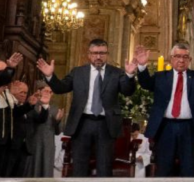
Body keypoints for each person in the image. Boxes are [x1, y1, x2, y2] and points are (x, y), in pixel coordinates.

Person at [37, 38, 137, 177]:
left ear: (107, 54)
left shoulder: (116, 72)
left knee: (104, 167)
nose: (98, 57)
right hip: (82, 123)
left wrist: (130, 75)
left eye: (102, 53)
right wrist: (49, 76)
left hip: (106, 125)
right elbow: (61, 88)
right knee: (79, 166)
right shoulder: (78, 72)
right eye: (95, 53)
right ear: (89, 54)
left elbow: (128, 91)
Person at [134, 43, 194, 177]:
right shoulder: (161, 77)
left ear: (190, 60)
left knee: (188, 169)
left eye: (185, 57)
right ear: (171, 58)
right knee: (163, 168)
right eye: (178, 56)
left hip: (190, 128)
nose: (181, 60)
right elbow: (145, 83)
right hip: (165, 127)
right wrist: (141, 66)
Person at [0, 53, 25, 175]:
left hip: (7, 142)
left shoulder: (7, 92)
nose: (6, 75)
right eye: (2, 71)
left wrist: (27, 104)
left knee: (3, 174)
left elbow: (14, 114)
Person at [6, 82, 48, 177]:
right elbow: (16, 113)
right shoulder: (10, 106)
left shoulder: (28, 107)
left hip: (25, 147)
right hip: (11, 147)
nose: (24, 95)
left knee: (19, 175)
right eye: (22, 92)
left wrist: (45, 105)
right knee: (7, 175)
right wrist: (29, 104)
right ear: (12, 91)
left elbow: (41, 119)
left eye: (25, 93)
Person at [31, 83, 64, 177]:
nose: (48, 93)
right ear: (38, 92)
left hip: (49, 145)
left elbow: (58, 132)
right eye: (45, 91)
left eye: (50, 92)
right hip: (35, 143)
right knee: (34, 169)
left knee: (46, 171)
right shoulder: (33, 106)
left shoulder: (54, 109)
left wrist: (57, 121)